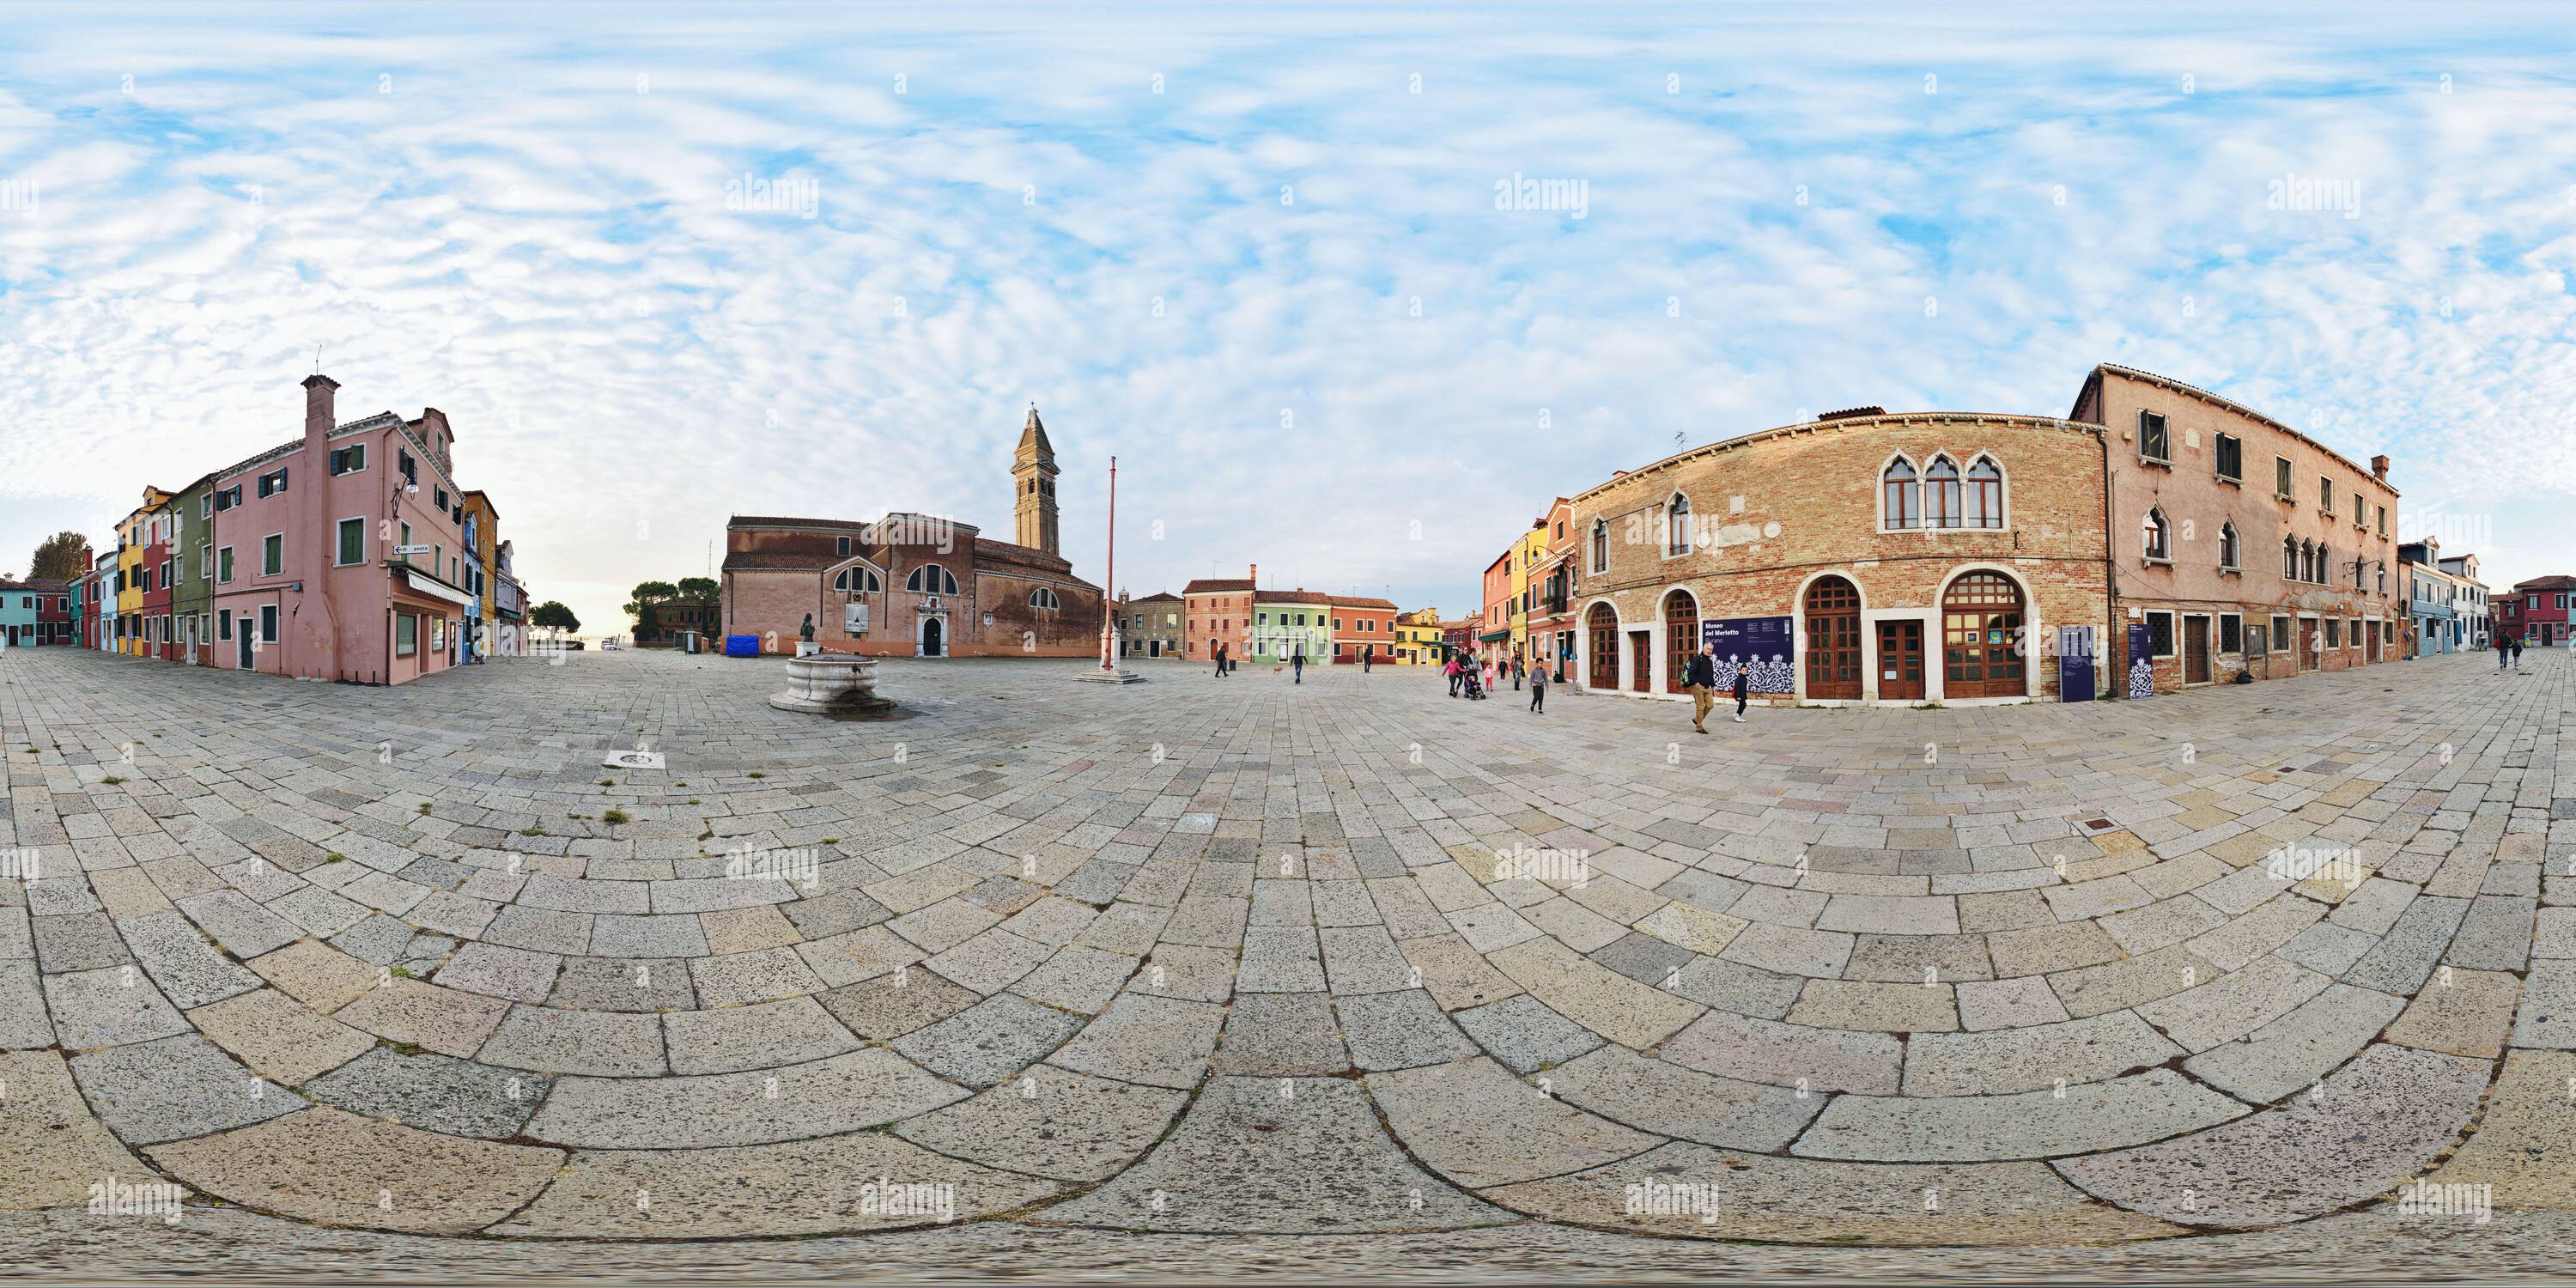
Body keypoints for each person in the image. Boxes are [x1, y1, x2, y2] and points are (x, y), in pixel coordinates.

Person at [1685, 644, 1716, 733]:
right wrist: (1696, 683)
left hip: (1708, 688)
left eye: (1711, 649)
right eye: (1708, 649)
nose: (1709, 651)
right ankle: (1699, 727)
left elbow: (1711, 675)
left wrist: (1713, 685)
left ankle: (1697, 719)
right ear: (1703, 649)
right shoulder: (1697, 659)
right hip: (1698, 687)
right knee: (1700, 707)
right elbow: (1690, 672)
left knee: (1710, 705)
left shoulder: (1710, 662)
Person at [1730, 659, 1751, 723]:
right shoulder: (1738, 678)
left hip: (1743, 694)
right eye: (1743, 670)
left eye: (1745, 670)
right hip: (1739, 695)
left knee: (1742, 705)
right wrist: (1738, 696)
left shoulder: (1745, 678)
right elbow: (1736, 687)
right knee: (1743, 704)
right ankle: (1737, 715)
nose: (1744, 671)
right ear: (1740, 671)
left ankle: (1738, 715)